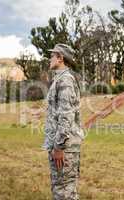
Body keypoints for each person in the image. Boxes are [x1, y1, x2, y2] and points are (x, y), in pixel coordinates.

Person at [42, 43, 84, 200]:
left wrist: (58, 147)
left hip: (64, 147)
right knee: (63, 189)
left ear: (60, 58)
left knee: (63, 192)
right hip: (62, 146)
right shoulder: (59, 80)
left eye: (52, 55)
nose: (49, 59)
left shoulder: (65, 80)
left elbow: (66, 116)